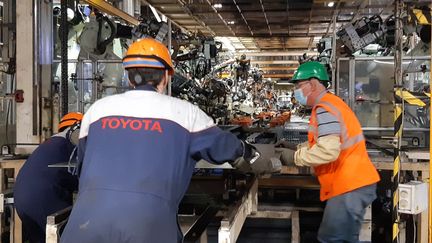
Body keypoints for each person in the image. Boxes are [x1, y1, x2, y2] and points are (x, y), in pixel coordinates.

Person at [60, 38, 269, 243]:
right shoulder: (184, 113)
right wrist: (250, 154)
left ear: (129, 76)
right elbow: (225, 147)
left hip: (84, 224)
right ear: (166, 77)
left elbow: (82, 165)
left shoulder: (96, 110)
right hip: (148, 226)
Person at [289, 61, 380, 242]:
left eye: (299, 86)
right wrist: (300, 148)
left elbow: (329, 151)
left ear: (313, 84)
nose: (296, 92)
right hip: (353, 182)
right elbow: (330, 141)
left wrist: (295, 157)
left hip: (349, 185)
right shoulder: (332, 103)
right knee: (343, 238)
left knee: (332, 239)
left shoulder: (325, 108)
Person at [14, 112, 83, 243]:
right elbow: (81, 179)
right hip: (44, 199)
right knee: (72, 236)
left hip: (22, 202)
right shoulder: (71, 145)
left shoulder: (50, 144)